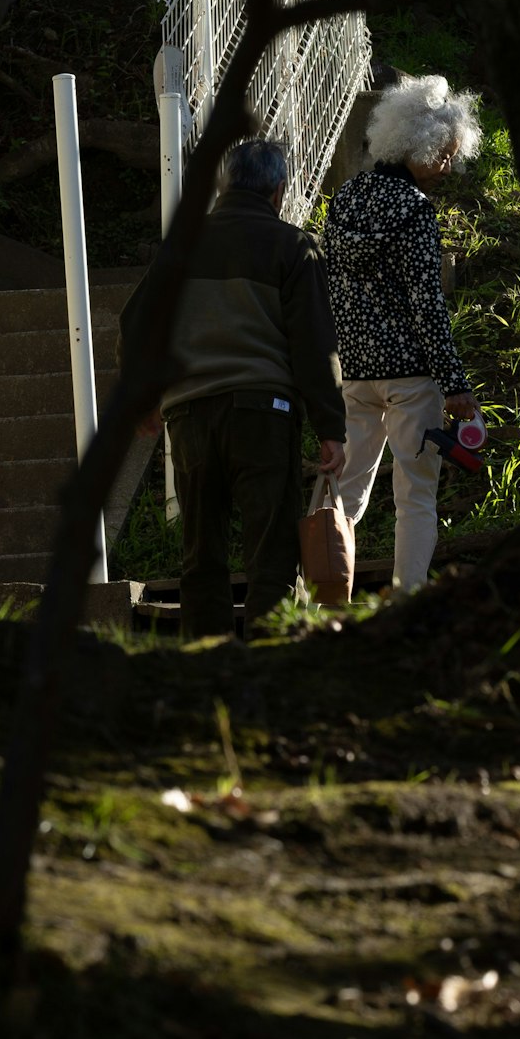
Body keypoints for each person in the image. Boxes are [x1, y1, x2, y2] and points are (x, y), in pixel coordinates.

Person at [135, 136, 346, 639]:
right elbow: (314, 344)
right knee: (271, 552)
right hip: (263, 412)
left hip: (189, 415)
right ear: (278, 191)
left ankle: (206, 662)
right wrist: (330, 427)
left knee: (201, 552)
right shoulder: (293, 246)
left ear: (224, 187)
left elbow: (136, 325)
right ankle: (269, 659)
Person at [323, 73, 482, 592]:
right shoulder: (414, 210)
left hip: (355, 373)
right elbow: (427, 305)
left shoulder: (344, 200)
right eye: (444, 155)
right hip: (411, 378)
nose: (448, 167)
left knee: (344, 490)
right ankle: (408, 600)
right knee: (415, 496)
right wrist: (454, 383)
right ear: (421, 144)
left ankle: (321, 595)